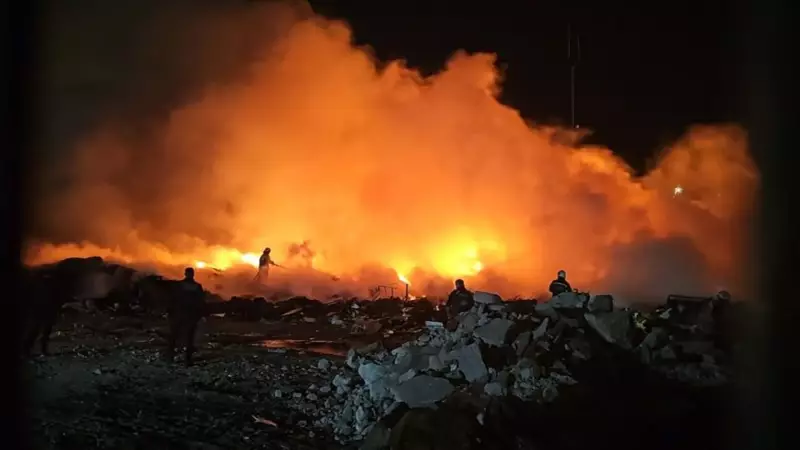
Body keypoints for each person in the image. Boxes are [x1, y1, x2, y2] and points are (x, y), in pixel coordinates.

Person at [166, 267, 206, 366]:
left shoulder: (182, 286)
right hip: (184, 314)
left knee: (182, 336)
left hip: (186, 314)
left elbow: (200, 302)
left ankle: (181, 357)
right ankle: (178, 357)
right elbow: (200, 302)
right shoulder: (194, 287)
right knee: (181, 335)